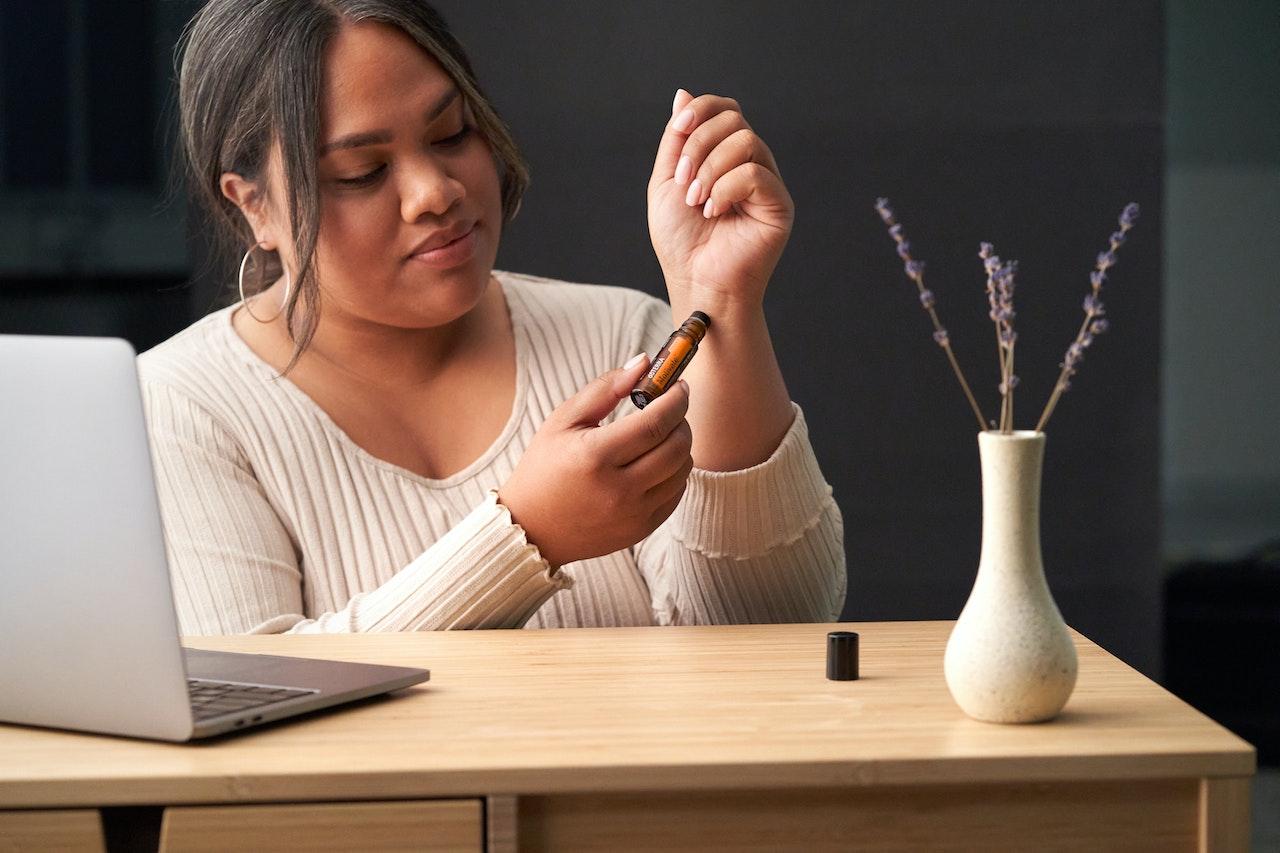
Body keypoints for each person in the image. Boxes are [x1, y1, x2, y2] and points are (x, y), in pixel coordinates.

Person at [140, 0, 845, 634]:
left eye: (451, 133)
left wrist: (717, 301)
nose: (435, 191)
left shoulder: (622, 335)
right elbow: (255, 695)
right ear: (253, 204)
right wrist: (526, 535)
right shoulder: (182, 406)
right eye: (362, 172)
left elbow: (772, 627)